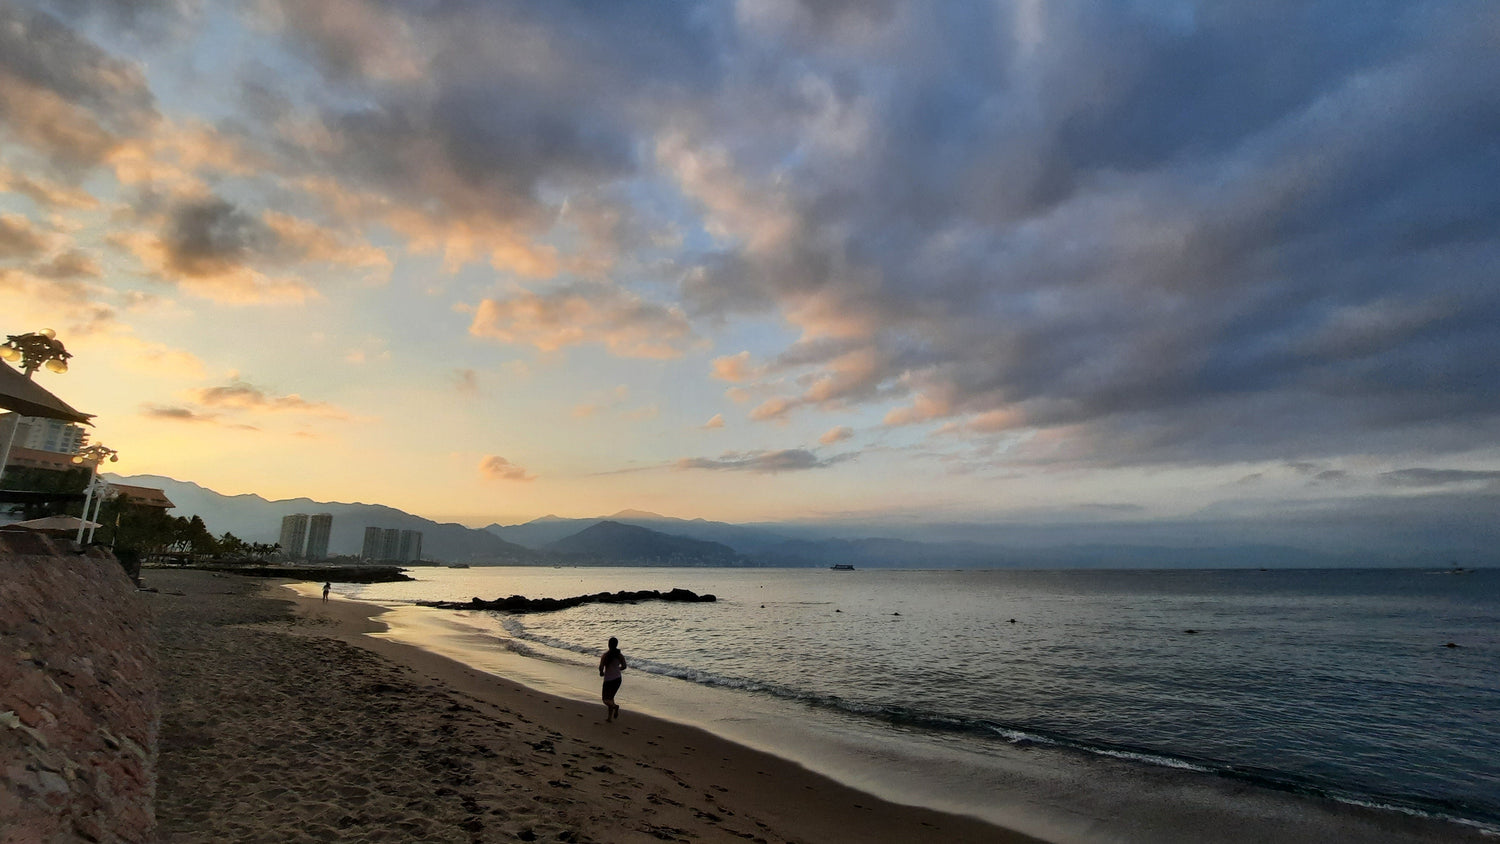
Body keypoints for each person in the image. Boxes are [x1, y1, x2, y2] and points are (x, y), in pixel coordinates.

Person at [598, 636, 627, 721]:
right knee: (611, 698)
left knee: (605, 700)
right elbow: (624, 666)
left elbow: (601, 667)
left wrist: (601, 673)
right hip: (618, 679)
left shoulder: (605, 655)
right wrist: (617, 669)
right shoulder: (620, 655)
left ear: (608, 645)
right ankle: (609, 718)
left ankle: (615, 707)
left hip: (608, 680)